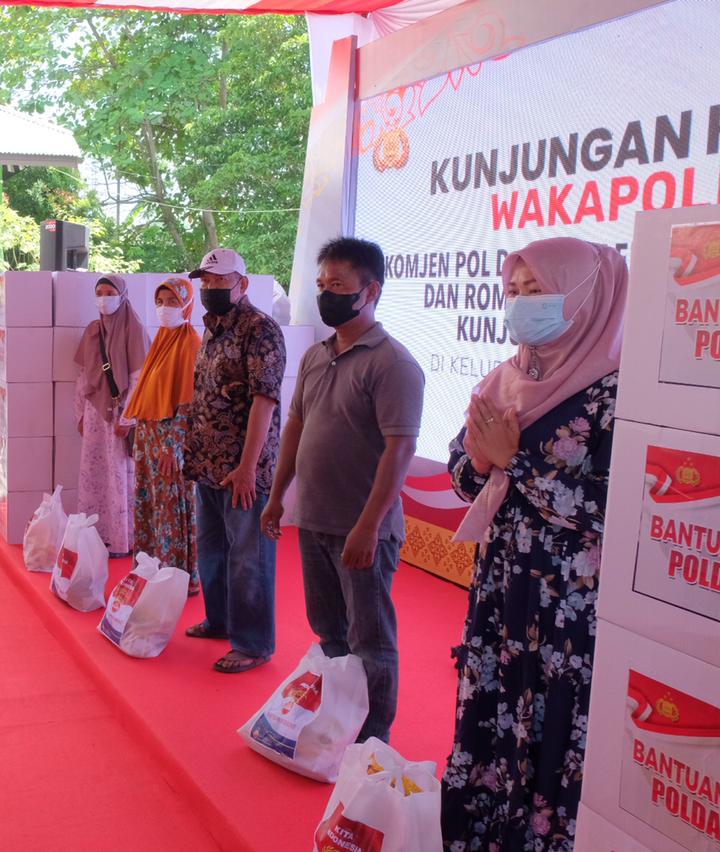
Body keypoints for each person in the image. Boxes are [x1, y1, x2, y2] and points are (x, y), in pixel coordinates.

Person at [440, 238, 625, 850]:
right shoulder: (508, 376)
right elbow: (464, 473)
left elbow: (612, 510)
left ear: (587, 295)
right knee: (495, 716)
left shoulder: (617, 394)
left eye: (537, 291)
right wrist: (488, 462)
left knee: (552, 732)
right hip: (504, 586)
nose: (521, 305)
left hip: (570, 608)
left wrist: (513, 464)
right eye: (515, 292)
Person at [263, 237, 422, 740]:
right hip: (313, 520)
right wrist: (275, 496)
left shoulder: (394, 364)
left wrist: (369, 526)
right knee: (329, 632)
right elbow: (294, 428)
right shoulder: (314, 356)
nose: (326, 294)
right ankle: (336, 722)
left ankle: (372, 739)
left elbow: (399, 451)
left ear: (370, 291)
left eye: (338, 286)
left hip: (361, 529)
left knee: (370, 639)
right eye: (321, 285)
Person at [182, 248, 284, 674]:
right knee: (212, 551)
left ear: (242, 284)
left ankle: (253, 643)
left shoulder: (259, 329)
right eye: (205, 281)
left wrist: (247, 467)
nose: (210, 289)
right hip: (207, 462)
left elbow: (265, 402)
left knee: (249, 556)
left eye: (219, 282)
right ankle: (221, 621)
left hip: (244, 469)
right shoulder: (212, 327)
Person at [123, 277, 202, 592]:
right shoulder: (161, 341)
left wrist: (176, 447)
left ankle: (176, 577)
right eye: (160, 302)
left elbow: (188, 401)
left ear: (186, 304)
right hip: (149, 434)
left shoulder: (189, 342)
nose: (164, 309)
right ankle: (151, 569)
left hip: (170, 440)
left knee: (171, 508)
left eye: (172, 302)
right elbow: (149, 393)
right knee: (149, 504)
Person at [73, 274, 148, 556]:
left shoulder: (134, 329)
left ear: (123, 295)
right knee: (94, 474)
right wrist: (80, 412)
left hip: (120, 415)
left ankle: (121, 539)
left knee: (120, 476)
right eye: (99, 292)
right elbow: (83, 377)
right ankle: (97, 535)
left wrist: (127, 418)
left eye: (110, 292)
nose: (104, 298)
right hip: (95, 414)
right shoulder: (93, 330)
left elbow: (140, 378)